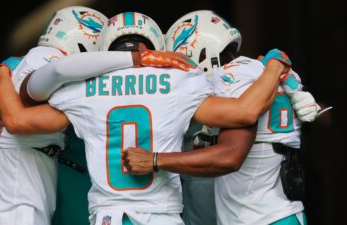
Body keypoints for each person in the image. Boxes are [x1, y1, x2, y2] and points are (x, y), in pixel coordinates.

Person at [0, 11, 291, 225]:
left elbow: (18, 120)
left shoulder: (82, 90)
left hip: (109, 216)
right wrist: (274, 65)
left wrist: (4, 73)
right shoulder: (181, 82)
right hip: (163, 216)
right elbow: (245, 111)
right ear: (156, 46)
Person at [124, 10, 322, 225]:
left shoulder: (229, 77)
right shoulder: (265, 70)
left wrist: (155, 160)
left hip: (257, 217)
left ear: (199, 53)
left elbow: (231, 155)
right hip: (281, 213)